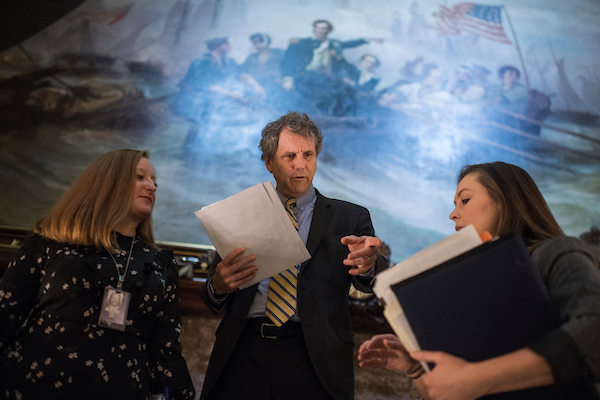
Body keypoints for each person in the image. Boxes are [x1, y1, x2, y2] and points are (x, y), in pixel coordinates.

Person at [358, 162, 600, 399]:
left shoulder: (554, 251)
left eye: (465, 200)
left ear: (505, 201)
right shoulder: (472, 286)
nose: (452, 214)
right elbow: (451, 391)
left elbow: (593, 331)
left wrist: (476, 377)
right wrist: (416, 368)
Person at [199, 111, 387, 400]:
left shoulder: (350, 217)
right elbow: (213, 293)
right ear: (269, 162)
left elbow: (372, 282)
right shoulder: (243, 212)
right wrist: (219, 286)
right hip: (244, 349)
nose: (301, 165)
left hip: (315, 356)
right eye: (289, 156)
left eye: (308, 155)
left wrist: (368, 266)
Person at [0, 149, 195, 399]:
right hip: (32, 385)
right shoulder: (50, 240)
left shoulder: (160, 264)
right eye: (140, 177)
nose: (152, 187)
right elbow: (6, 311)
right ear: (108, 181)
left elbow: (166, 350)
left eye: (154, 181)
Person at [280, 20, 382, 115]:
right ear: (314, 29)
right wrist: (288, 78)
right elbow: (289, 60)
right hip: (307, 77)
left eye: (323, 28)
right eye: (318, 27)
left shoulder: (334, 44)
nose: (320, 30)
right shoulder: (302, 43)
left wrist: (369, 40)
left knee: (342, 97)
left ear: (329, 31)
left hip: (329, 77)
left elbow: (351, 44)